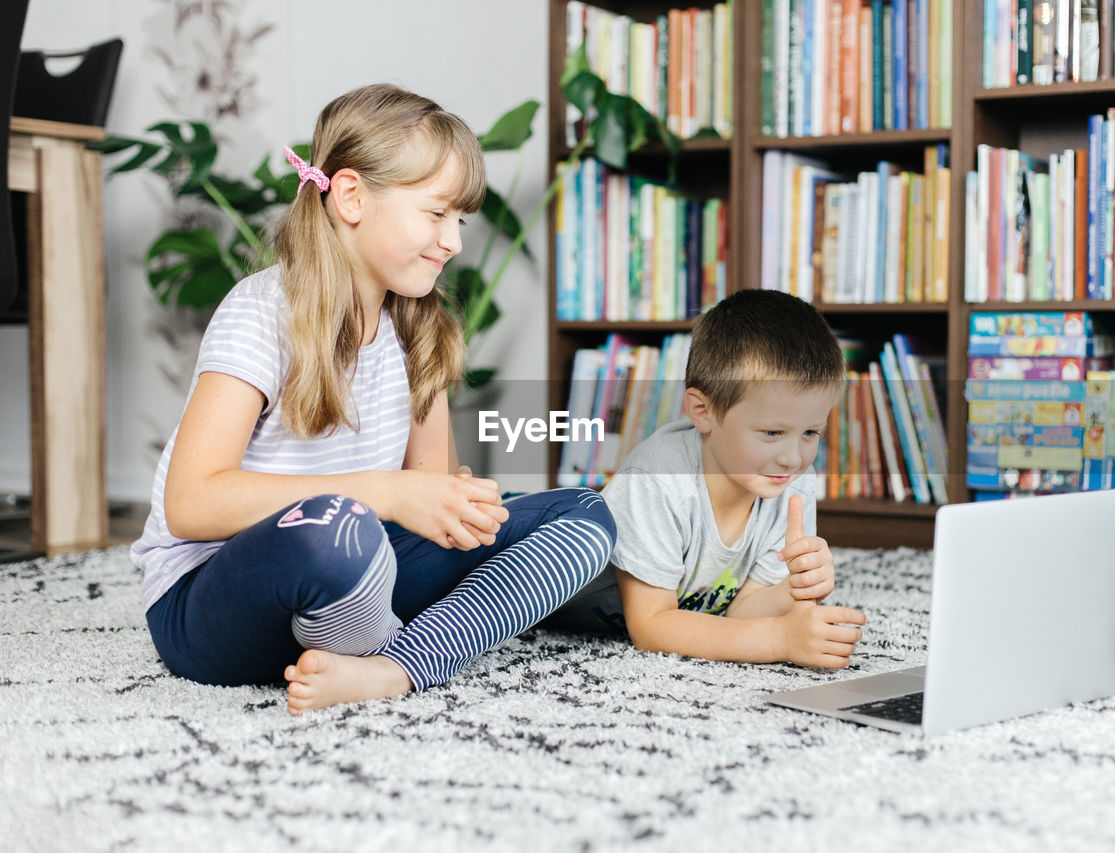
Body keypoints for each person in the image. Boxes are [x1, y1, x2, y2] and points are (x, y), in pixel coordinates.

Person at [131, 83, 615, 715]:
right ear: (353, 197)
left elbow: (427, 494)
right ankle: (382, 639)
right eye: (437, 214)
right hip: (216, 603)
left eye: (460, 220)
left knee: (583, 514)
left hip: (362, 570)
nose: (454, 242)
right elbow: (191, 504)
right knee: (339, 528)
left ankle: (398, 665)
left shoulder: (420, 328)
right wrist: (386, 493)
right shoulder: (261, 312)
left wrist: (453, 500)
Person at [554, 289, 866, 667]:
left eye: (810, 433)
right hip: (530, 565)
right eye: (771, 433)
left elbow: (740, 611)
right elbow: (651, 626)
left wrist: (792, 589)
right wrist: (779, 639)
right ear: (702, 412)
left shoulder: (791, 481)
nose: (792, 457)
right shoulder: (657, 480)